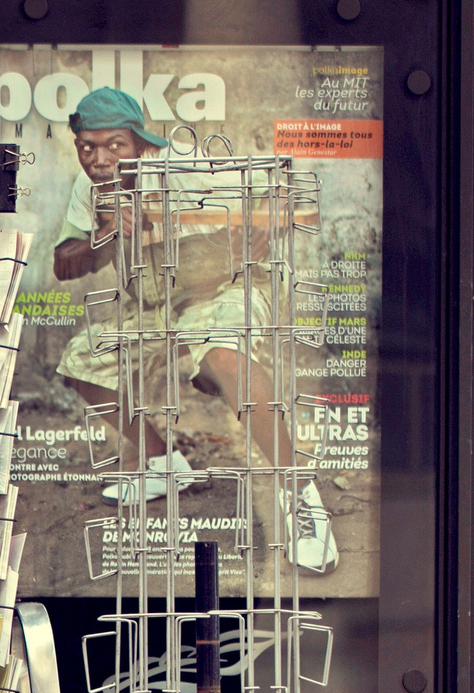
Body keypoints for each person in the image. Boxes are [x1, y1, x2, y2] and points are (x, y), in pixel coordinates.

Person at [47, 86, 291, 504]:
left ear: (140, 144)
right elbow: (65, 263)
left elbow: (278, 189)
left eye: (115, 145)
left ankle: (296, 493)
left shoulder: (183, 164)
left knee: (223, 353)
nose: (100, 159)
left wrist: (270, 214)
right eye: (87, 147)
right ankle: (163, 466)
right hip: (155, 303)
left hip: (220, 288)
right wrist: (106, 234)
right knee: (82, 363)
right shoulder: (89, 189)